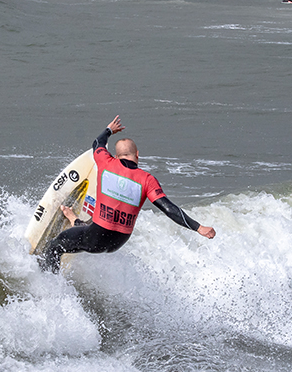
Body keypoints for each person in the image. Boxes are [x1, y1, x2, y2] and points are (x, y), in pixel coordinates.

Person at [38, 115, 216, 273]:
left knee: (54, 246)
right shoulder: (147, 180)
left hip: (96, 238)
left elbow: (97, 143)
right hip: (118, 242)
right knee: (90, 224)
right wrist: (198, 227)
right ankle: (74, 219)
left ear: (116, 156)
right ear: (137, 155)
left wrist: (109, 130)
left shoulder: (105, 162)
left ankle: (50, 288)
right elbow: (169, 209)